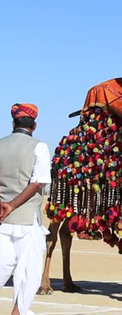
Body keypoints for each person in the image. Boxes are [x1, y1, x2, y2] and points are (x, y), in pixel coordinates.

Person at [0, 104, 51, 315]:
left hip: (3, 221)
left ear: (13, 123)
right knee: (28, 273)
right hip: (27, 221)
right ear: (34, 125)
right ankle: (18, 312)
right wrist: (13, 205)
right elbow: (38, 183)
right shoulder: (39, 147)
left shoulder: (1, 145)